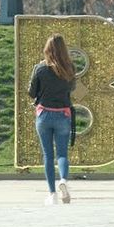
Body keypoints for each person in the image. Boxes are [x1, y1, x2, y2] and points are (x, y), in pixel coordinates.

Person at [28, 34, 76, 205]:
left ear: (47, 49)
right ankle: (63, 180)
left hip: (44, 115)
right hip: (63, 114)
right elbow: (72, 88)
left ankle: (52, 194)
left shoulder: (40, 69)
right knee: (62, 154)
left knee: (48, 155)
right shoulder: (70, 68)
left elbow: (32, 93)